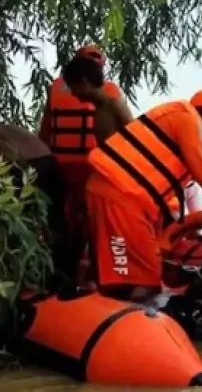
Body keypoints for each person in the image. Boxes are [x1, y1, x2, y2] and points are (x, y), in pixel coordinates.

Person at [64, 76, 202, 301]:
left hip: (117, 194)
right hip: (118, 196)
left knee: (122, 274)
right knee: (145, 282)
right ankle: (130, 324)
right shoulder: (188, 119)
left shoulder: (183, 121)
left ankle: (104, 307)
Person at [37, 48, 133, 280]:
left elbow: (45, 130)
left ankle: (63, 273)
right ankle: (92, 275)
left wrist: (41, 164)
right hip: (92, 171)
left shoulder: (57, 89)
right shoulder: (110, 94)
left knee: (64, 224)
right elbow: (131, 133)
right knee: (90, 225)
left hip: (63, 167)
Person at [0, 124, 73, 286]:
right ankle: (58, 278)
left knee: (24, 231)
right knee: (52, 228)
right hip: (43, 159)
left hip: (22, 165)